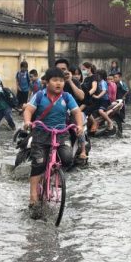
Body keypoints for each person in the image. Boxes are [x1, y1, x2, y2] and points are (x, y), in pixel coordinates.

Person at [23, 67, 83, 219]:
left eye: (61, 81)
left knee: (68, 158)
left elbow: (76, 112)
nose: (59, 83)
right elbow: (29, 110)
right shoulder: (39, 95)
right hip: (41, 133)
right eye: (55, 80)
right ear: (47, 82)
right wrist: (28, 121)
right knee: (38, 164)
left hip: (61, 134)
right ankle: (33, 196)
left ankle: (54, 173)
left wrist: (79, 125)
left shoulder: (67, 97)